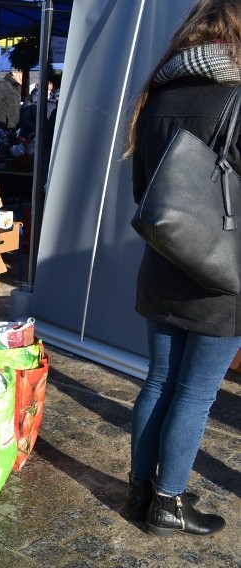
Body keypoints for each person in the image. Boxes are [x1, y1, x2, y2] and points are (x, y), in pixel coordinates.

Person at [122, 0, 241, 538]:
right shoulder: (237, 97)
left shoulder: (156, 96)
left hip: (163, 262)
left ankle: (141, 490)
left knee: (161, 381)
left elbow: (143, 193)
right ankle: (168, 505)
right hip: (221, 273)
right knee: (195, 394)